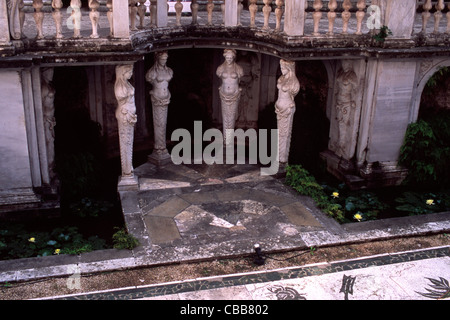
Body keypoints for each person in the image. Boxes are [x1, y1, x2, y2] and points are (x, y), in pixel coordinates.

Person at [146, 51, 173, 163]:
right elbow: (149, 79)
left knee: (164, 123)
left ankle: (163, 147)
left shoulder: (169, 71)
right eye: (162, 59)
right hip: (157, 99)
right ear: (157, 59)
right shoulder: (152, 72)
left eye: (165, 59)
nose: (164, 61)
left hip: (165, 99)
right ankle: (158, 148)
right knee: (158, 123)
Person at [275, 59, 300, 165]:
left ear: (289, 69)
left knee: (285, 134)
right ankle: (278, 157)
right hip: (279, 108)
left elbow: (293, 93)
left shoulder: (294, 82)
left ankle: (283, 159)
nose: (282, 70)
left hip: (287, 108)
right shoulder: (281, 78)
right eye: (281, 68)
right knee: (279, 134)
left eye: (284, 68)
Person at [216, 49, 244, 145]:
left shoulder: (239, 69)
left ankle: (229, 142)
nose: (229, 59)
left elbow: (239, 79)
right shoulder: (220, 68)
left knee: (232, 117)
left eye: (231, 57)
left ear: (234, 57)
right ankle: (225, 141)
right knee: (225, 117)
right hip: (224, 95)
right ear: (224, 57)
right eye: (227, 57)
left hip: (234, 95)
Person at [115, 64, 137, 177]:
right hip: (125, 116)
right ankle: (127, 170)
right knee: (126, 140)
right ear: (123, 73)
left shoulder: (126, 83)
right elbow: (122, 97)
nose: (131, 74)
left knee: (129, 140)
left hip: (129, 115)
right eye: (129, 72)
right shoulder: (120, 86)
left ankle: (129, 167)